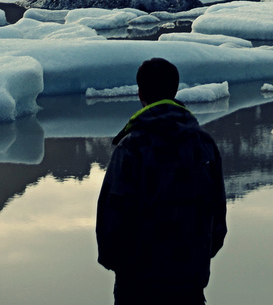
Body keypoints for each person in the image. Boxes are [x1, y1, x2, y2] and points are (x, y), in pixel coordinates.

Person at [96, 57, 228, 304]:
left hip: (137, 287)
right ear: (175, 90)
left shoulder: (132, 147)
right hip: (189, 284)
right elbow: (217, 220)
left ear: (140, 93)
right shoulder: (205, 145)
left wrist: (119, 265)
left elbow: (111, 221)